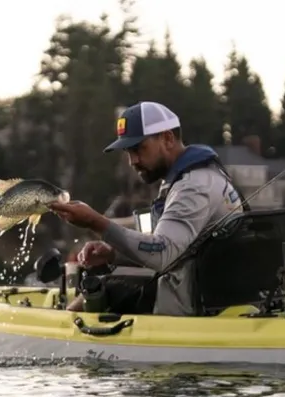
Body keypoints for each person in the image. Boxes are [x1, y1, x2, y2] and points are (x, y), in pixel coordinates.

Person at [49, 101, 249, 316]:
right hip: (200, 292)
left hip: (192, 307)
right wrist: (113, 254)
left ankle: (57, 334)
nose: (132, 161)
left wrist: (95, 222)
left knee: (106, 288)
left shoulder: (193, 187)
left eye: (139, 149)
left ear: (168, 139)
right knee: (111, 284)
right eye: (128, 152)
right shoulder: (195, 177)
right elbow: (177, 251)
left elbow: (162, 253)